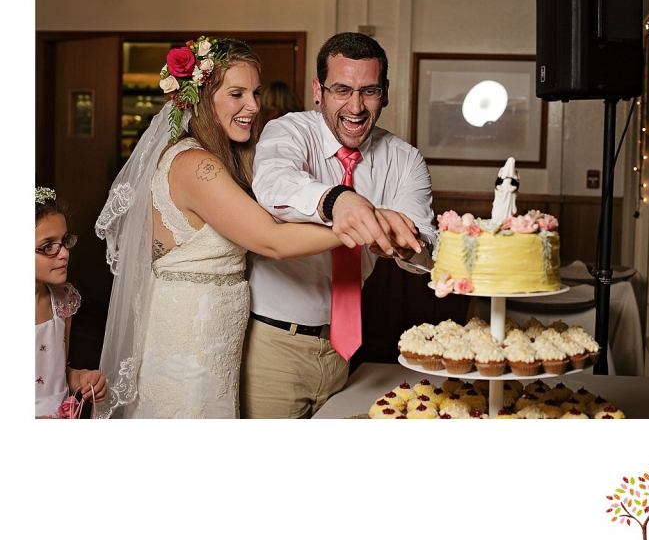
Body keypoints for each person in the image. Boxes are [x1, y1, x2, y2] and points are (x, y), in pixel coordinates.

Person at [95, 36, 420, 420]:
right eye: (237, 94)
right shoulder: (195, 164)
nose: (253, 105)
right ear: (201, 98)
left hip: (220, 338)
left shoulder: (228, 158)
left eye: (255, 93)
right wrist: (370, 221)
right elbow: (273, 240)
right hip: (188, 341)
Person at [241, 31, 437, 419]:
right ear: (319, 92)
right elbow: (274, 184)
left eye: (369, 91)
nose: (356, 106)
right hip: (272, 345)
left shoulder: (405, 160)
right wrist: (338, 201)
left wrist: (405, 245)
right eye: (342, 90)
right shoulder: (289, 131)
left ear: (385, 93)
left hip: (342, 349)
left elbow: (427, 247)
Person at [35, 187, 108, 418]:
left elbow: (56, 374)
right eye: (48, 246)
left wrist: (81, 377)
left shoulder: (62, 302)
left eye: (64, 241)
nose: (64, 253)